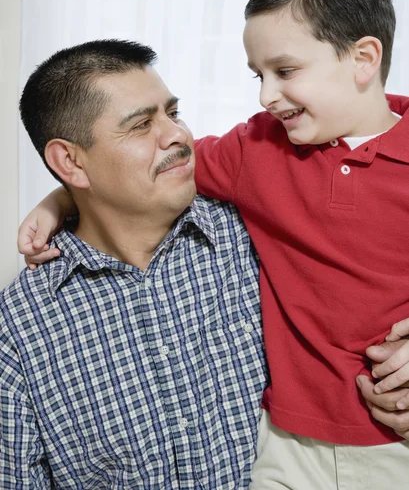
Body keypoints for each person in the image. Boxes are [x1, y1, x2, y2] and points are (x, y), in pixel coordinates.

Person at [18, 0, 409, 488]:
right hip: (292, 446)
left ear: (364, 57)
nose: (266, 95)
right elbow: (171, 166)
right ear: (70, 161)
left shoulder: (237, 230)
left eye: (285, 71)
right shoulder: (258, 155)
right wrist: (60, 197)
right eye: (141, 125)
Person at [1, 40, 268, 489]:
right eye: (142, 125)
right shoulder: (20, 329)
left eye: (173, 113)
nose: (178, 135)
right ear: (70, 161)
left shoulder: (256, 236)